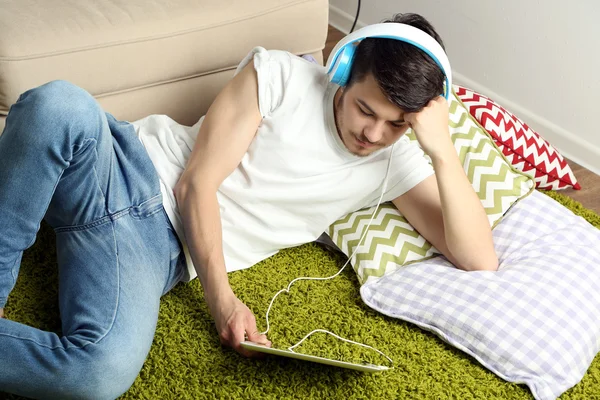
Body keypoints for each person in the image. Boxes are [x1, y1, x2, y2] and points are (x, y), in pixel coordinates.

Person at [0, 12, 497, 400]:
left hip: (151, 253)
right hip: (126, 167)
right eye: (366, 109)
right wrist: (223, 300)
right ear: (343, 70)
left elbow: (478, 257)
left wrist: (442, 152)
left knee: (98, 372)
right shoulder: (279, 75)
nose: (373, 134)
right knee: (57, 104)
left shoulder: (396, 161)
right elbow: (195, 184)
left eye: (396, 124)